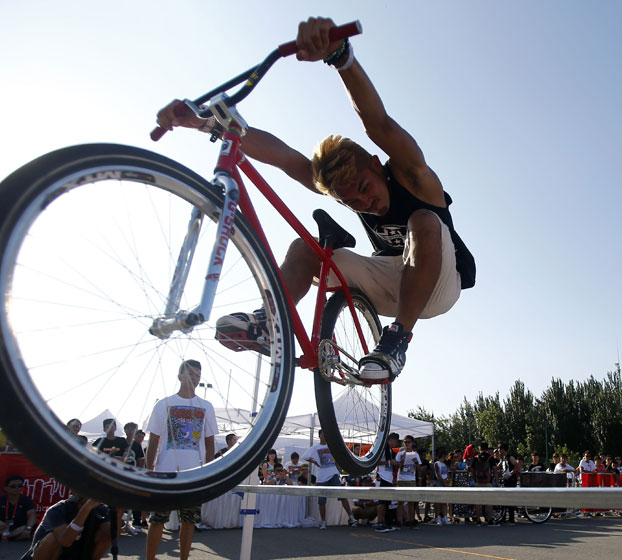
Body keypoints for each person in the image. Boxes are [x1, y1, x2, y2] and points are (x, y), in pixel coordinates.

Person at [156, 17, 475, 384]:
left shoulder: (413, 176)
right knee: (303, 248)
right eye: (350, 199)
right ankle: (268, 322)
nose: (363, 202)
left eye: (365, 187)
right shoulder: (350, 193)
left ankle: (397, 341)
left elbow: (378, 124)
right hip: (389, 281)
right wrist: (204, 124)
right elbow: (288, 159)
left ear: (376, 165)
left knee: (423, 221)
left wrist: (340, 57)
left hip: (438, 283)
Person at [135, 360, 218, 560]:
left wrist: (208, 472)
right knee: (157, 520)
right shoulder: (164, 404)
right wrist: (148, 472)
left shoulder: (206, 406)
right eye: (191, 373)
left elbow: (210, 443)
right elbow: (154, 441)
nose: (195, 378)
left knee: (188, 520)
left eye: (198, 374)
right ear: (180, 375)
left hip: (193, 473)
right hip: (165, 472)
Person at [302, 429, 356, 529]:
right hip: (322, 477)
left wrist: (338, 469)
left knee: (342, 495)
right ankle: (323, 521)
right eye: (324, 435)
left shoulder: (332, 446)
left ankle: (351, 517)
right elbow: (305, 456)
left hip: (333, 474)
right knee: (322, 500)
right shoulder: (316, 447)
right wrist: (314, 461)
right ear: (320, 436)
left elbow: (339, 457)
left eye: (327, 435)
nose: (326, 437)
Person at [0, 475, 36, 541]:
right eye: (13, 486)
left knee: (33, 526)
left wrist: (28, 529)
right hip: (3, 525)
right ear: (6, 488)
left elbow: (32, 514)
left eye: (20, 486)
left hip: (19, 525)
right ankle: (14, 537)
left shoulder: (26, 500)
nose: (17, 488)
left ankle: (4, 536)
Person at [373, 432, 399, 532]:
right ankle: (380, 523)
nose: (396, 444)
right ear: (391, 439)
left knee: (387, 503)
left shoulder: (390, 450)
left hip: (388, 478)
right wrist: (389, 462)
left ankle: (385, 522)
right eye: (396, 441)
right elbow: (376, 461)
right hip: (382, 477)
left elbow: (390, 463)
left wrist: (395, 464)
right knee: (382, 502)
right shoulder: (383, 448)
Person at [394, 435, 421, 528]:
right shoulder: (400, 453)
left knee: (411, 502)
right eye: (405, 442)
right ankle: (399, 521)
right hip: (401, 479)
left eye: (408, 442)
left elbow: (419, 468)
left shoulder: (415, 454)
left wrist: (416, 462)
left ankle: (411, 521)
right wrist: (401, 461)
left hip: (411, 479)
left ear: (412, 443)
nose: (407, 444)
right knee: (400, 502)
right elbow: (396, 466)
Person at [495, 443, 521, 523]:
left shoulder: (510, 457)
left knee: (510, 499)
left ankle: (511, 518)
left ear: (503, 449)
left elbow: (517, 466)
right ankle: (503, 517)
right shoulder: (503, 458)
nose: (498, 451)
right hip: (505, 480)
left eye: (499, 449)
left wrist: (510, 473)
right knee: (504, 499)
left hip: (511, 480)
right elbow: (497, 467)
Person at [433, 447, 451, 525]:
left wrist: (447, 481)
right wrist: (444, 482)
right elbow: (438, 474)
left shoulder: (444, 464)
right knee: (438, 502)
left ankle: (444, 517)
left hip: (445, 483)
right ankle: (438, 517)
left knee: (444, 502)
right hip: (439, 483)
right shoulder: (437, 463)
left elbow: (446, 474)